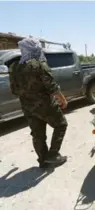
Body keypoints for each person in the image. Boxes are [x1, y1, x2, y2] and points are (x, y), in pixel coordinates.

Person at [8, 38, 68, 168]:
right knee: (61, 125)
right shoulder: (39, 65)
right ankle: (53, 155)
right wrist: (63, 100)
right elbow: (52, 87)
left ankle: (42, 160)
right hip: (45, 105)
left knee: (38, 134)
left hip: (27, 107)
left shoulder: (14, 67)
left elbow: (14, 90)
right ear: (35, 49)